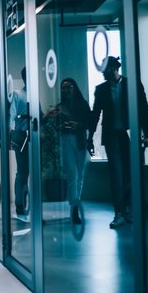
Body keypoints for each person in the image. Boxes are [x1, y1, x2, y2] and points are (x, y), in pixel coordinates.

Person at [88, 56, 148, 229]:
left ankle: (128, 210)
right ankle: (119, 213)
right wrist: (90, 138)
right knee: (116, 174)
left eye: (105, 69)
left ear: (115, 68)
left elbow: (144, 109)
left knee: (130, 174)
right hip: (112, 136)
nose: (102, 73)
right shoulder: (101, 89)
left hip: (130, 134)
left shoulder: (133, 85)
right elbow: (95, 115)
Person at [43, 78, 91, 224]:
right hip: (66, 140)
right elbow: (54, 127)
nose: (65, 91)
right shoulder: (59, 107)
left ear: (74, 89)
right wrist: (63, 125)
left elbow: (90, 122)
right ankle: (74, 209)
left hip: (80, 140)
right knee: (71, 175)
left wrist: (79, 125)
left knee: (80, 176)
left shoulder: (82, 104)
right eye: (63, 89)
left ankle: (75, 204)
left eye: (68, 87)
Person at [9, 67, 31, 222]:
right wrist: (9, 137)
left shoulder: (34, 95)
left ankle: (25, 205)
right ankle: (20, 206)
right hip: (21, 135)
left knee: (29, 173)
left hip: (33, 137)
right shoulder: (17, 94)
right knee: (22, 172)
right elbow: (10, 116)